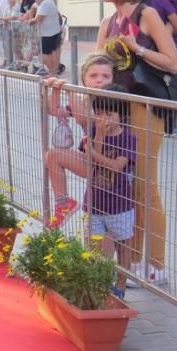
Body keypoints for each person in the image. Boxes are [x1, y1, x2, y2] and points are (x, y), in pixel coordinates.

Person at [95, 0, 177, 285]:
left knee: (145, 186)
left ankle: (156, 263)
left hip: (145, 109)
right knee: (127, 190)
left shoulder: (148, 15)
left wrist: (138, 50)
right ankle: (129, 262)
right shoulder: (108, 21)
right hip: (116, 112)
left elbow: (172, 63)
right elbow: (98, 67)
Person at [44, 53, 116, 227]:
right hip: (91, 157)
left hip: (108, 164)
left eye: (105, 76)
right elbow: (54, 110)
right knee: (52, 156)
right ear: (84, 78)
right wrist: (56, 89)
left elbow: (83, 119)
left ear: (113, 79)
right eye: (93, 75)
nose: (99, 80)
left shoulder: (113, 100)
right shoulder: (84, 98)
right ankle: (63, 204)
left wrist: (70, 91)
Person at [81, 86, 137, 298]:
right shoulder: (93, 132)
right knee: (93, 245)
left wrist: (93, 152)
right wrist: (99, 138)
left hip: (119, 205)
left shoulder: (128, 139)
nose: (104, 119)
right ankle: (96, 283)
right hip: (94, 203)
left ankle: (120, 285)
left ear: (120, 115)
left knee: (124, 245)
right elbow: (87, 163)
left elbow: (116, 166)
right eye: (100, 113)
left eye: (110, 114)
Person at [30, 0, 63, 76]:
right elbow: (33, 9)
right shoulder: (49, 2)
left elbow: (38, 19)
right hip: (54, 32)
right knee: (52, 53)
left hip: (48, 34)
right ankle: (54, 72)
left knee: (44, 55)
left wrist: (31, 21)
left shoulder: (44, 4)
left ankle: (52, 72)